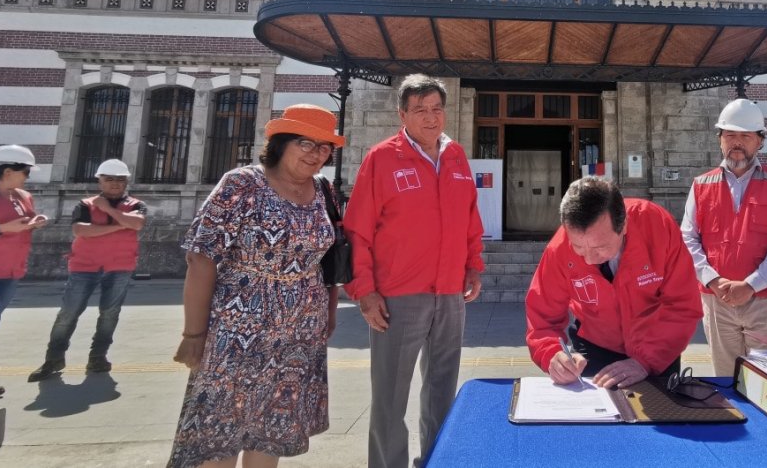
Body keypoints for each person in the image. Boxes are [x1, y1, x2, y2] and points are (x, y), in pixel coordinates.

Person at [168, 104, 343, 468]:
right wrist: (194, 333)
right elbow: (201, 257)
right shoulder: (242, 184)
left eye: (325, 147)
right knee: (219, 427)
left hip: (299, 335)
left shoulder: (325, 189)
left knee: (273, 426)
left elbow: (329, 260)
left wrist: (328, 312)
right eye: (306, 143)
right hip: (236, 331)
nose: (317, 154)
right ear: (281, 143)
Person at [343, 74, 484, 468]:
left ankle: (437, 459)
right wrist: (364, 290)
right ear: (402, 113)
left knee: (442, 388)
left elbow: (470, 219)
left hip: (449, 293)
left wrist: (473, 265)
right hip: (397, 296)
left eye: (437, 108)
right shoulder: (382, 158)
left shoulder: (455, 155)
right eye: (420, 110)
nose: (430, 117)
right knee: (390, 395)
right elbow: (358, 229)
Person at [526, 176, 703, 389]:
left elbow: (682, 305)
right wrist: (552, 354)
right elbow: (542, 318)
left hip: (658, 346)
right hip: (595, 347)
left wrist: (646, 361)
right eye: (579, 248)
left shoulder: (657, 226)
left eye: (600, 247)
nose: (589, 259)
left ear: (624, 225)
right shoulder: (559, 248)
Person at [680, 98, 767, 376]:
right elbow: (687, 239)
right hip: (716, 299)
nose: (737, 142)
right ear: (720, 139)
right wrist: (713, 279)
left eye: (745, 136)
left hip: (766, 300)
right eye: (730, 135)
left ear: (760, 141)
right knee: (726, 377)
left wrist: (750, 285)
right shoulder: (701, 185)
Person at [27, 159, 147, 382]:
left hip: (120, 266)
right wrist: (121, 224)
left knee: (109, 314)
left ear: (127, 182)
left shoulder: (136, 204)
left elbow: (138, 224)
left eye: (120, 180)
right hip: (84, 266)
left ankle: (98, 356)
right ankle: (53, 358)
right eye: (109, 179)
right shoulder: (84, 205)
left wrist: (108, 211)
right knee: (68, 313)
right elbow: (81, 231)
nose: (115, 184)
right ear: (99, 181)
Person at [0, 144, 47, 400]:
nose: (27, 176)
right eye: (25, 171)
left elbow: (23, 223)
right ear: (7, 171)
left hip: (11, 268)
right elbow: (7, 228)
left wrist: (34, 223)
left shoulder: (23, 197)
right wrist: (3, 229)